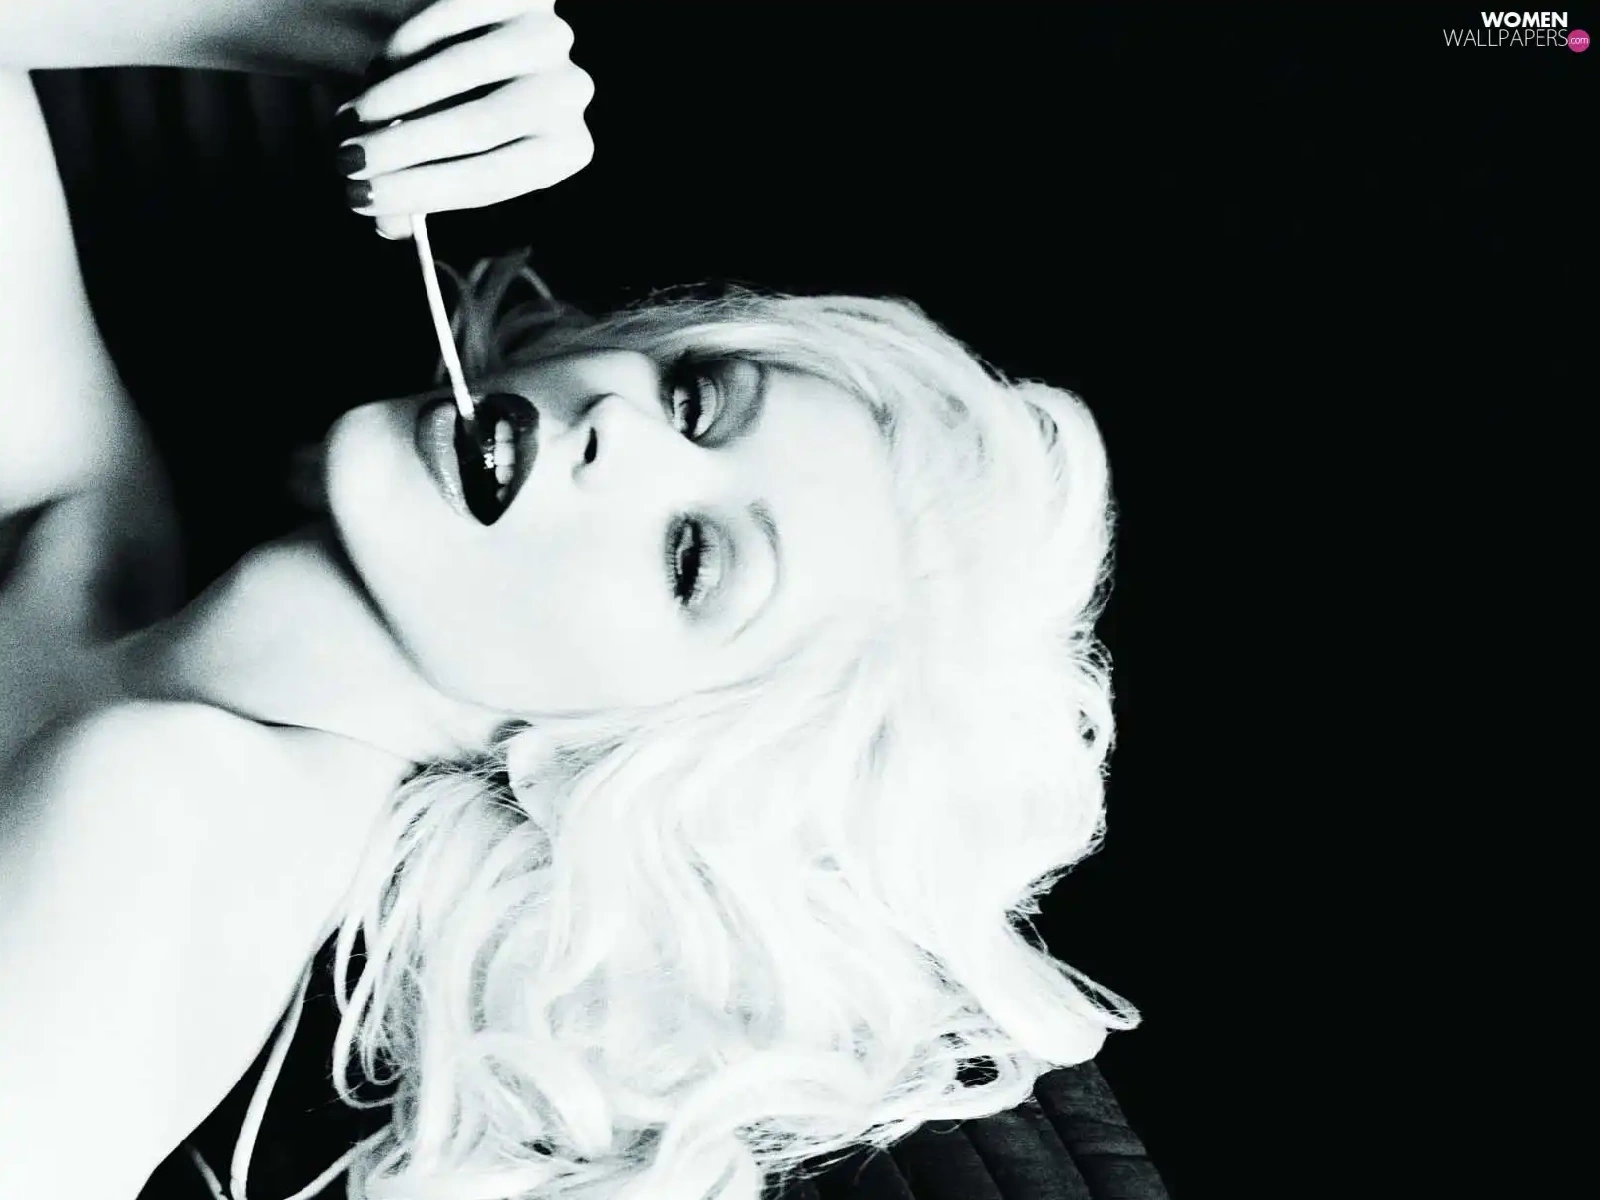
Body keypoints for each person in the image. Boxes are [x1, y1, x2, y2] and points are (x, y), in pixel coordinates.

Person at [0, 3, 1161, 1198]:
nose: (618, 428)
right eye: (695, 400)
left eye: (692, 561)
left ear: (612, 761)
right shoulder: (86, 537)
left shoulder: (156, 812)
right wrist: (353, 26)